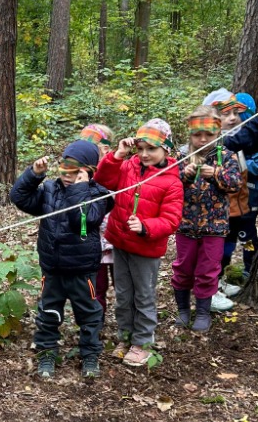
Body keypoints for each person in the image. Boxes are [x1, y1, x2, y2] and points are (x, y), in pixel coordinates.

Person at [9, 140, 112, 379]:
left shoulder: (99, 195)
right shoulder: (49, 191)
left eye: (75, 171)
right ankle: (47, 351)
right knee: (48, 311)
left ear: (88, 173)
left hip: (81, 269)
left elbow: (81, 220)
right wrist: (33, 175)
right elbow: (19, 198)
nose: (68, 175)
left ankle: (89, 354)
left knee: (88, 313)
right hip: (52, 267)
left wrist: (79, 188)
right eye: (65, 168)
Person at [95, 119, 183, 368]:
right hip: (120, 242)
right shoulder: (128, 166)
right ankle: (125, 337)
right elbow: (103, 180)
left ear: (166, 149)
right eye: (140, 148)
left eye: (151, 149)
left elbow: (171, 219)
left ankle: (142, 342)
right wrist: (117, 155)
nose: (144, 154)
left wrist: (146, 227)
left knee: (143, 295)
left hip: (146, 248)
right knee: (123, 294)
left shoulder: (171, 181)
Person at [171, 107, 242, 333]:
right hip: (185, 226)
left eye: (208, 135)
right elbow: (170, 187)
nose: (203, 139)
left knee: (208, 269)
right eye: (197, 134)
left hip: (215, 227)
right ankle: (183, 309)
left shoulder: (227, 156)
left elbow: (235, 184)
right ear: (190, 134)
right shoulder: (181, 158)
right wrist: (186, 175)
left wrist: (217, 175)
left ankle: (203, 311)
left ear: (218, 132)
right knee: (183, 268)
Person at [206, 91, 258, 311]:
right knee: (218, 249)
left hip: (242, 206)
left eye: (238, 113)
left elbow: (253, 146)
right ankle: (209, 290)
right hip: (217, 210)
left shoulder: (237, 138)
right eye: (227, 113)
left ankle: (224, 280)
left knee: (239, 241)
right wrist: (256, 122)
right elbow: (238, 142)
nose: (233, 118)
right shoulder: (215, 141)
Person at [79, 124, 115, 317]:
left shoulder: (117, 169)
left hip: (116, 240)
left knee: (123, 285)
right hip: (94, 244)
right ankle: (96, 323)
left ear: (105, 148)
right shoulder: (80, 175)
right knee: (96, 287)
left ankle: (128, 326)